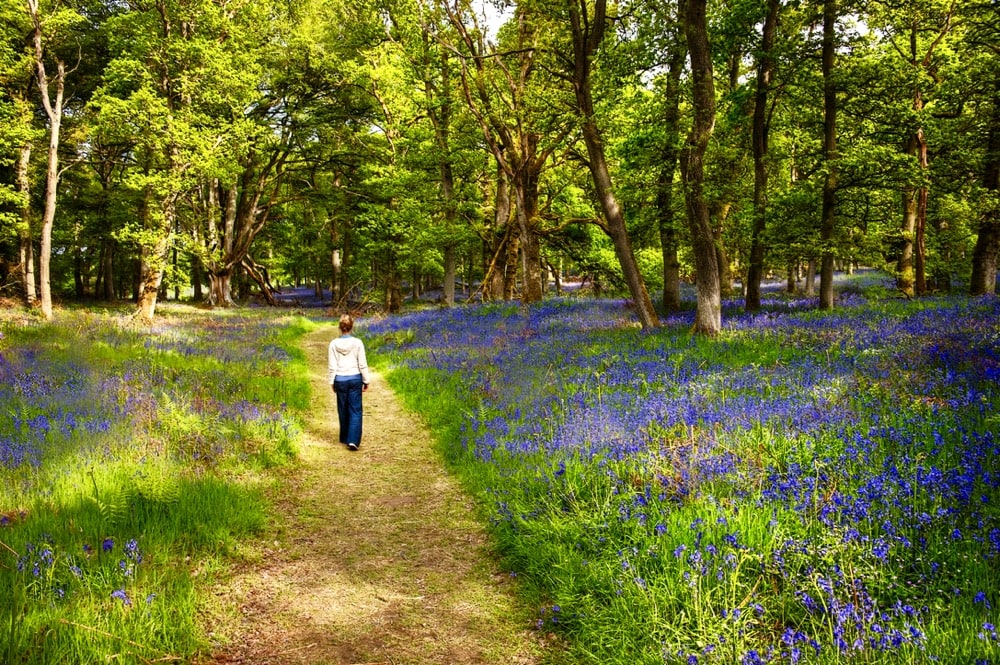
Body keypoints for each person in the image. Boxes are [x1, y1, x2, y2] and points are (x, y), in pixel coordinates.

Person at [328, 313, 370, 451]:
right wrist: (366, 380)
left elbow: (332, 365)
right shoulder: (357, 343)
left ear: (340, 327)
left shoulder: (334, 344)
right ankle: (353, 440)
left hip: (340, 379)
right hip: (354, 378)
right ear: (352, 327)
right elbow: (362, 364)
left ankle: (345, 436)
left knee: (342, 408)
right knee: (355, 410)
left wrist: (332, 381)